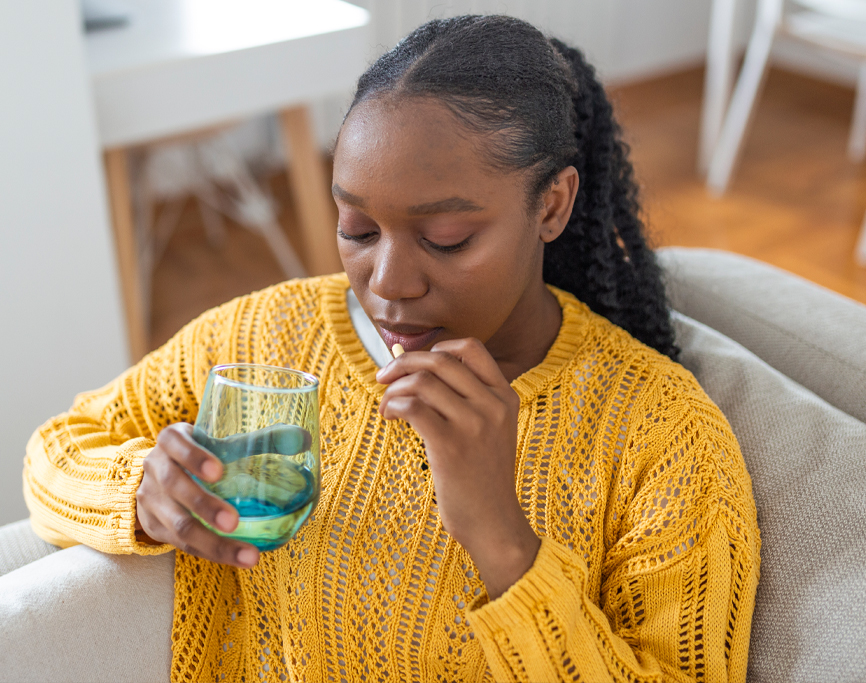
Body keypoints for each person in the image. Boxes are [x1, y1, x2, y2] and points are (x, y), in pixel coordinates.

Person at [23, 15, 759, 683]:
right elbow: (55, 452)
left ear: (552, 205)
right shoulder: (265, 338)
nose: (389, 283)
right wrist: (145, 494)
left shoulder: (661, 435)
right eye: (358, 230)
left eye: (446, 239)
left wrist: (506, 545)